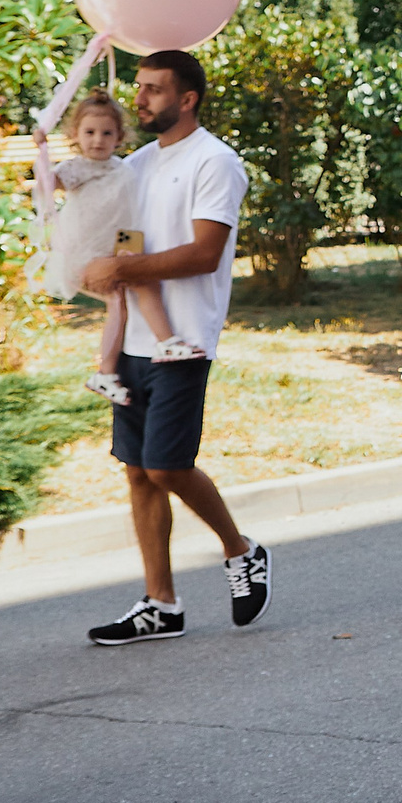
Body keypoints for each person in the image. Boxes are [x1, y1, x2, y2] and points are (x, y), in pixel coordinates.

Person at [82, 52, 272, 646]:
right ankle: (161, 603)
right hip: (132, 339)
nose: (139, 100)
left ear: (186, 98)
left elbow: (203, 253)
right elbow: (111, 233)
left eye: (153, 90)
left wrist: (124, 265)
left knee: (167, 464)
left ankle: (242, 551)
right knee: (138, 473)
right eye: (139, 88)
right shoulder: (134, 163)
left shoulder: (216, 162)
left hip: (182, 340)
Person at [37, 92, 198, 406]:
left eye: (107, 133)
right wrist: (42, 150)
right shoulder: (76, 169)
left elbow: (128, 213)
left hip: (119, 244)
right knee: (120, 300)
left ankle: (156, 346)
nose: (98, 140)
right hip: (87, 253)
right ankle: (113, 368)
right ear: (75, 135)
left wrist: (131, 249)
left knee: (141, 287)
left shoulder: (123, 168)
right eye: (89, 132)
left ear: (119, 137)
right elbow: (47, 184)